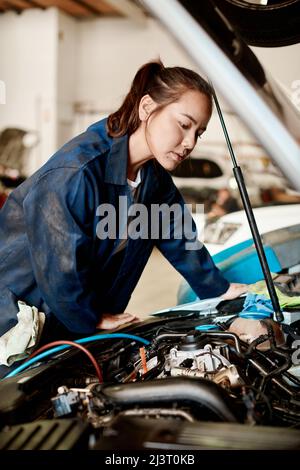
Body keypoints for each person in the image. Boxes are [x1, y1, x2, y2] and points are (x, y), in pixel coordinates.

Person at [0, 60, 247, 375]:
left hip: (73, 325)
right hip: (17, 323)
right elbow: (59, 268)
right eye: (184, 124)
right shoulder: (75, 173)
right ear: (147, 107)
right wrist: (92, 319)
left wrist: (219, 289)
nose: (190, 143)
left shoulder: (152, 180)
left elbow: (178, 236)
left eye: (198, 132)